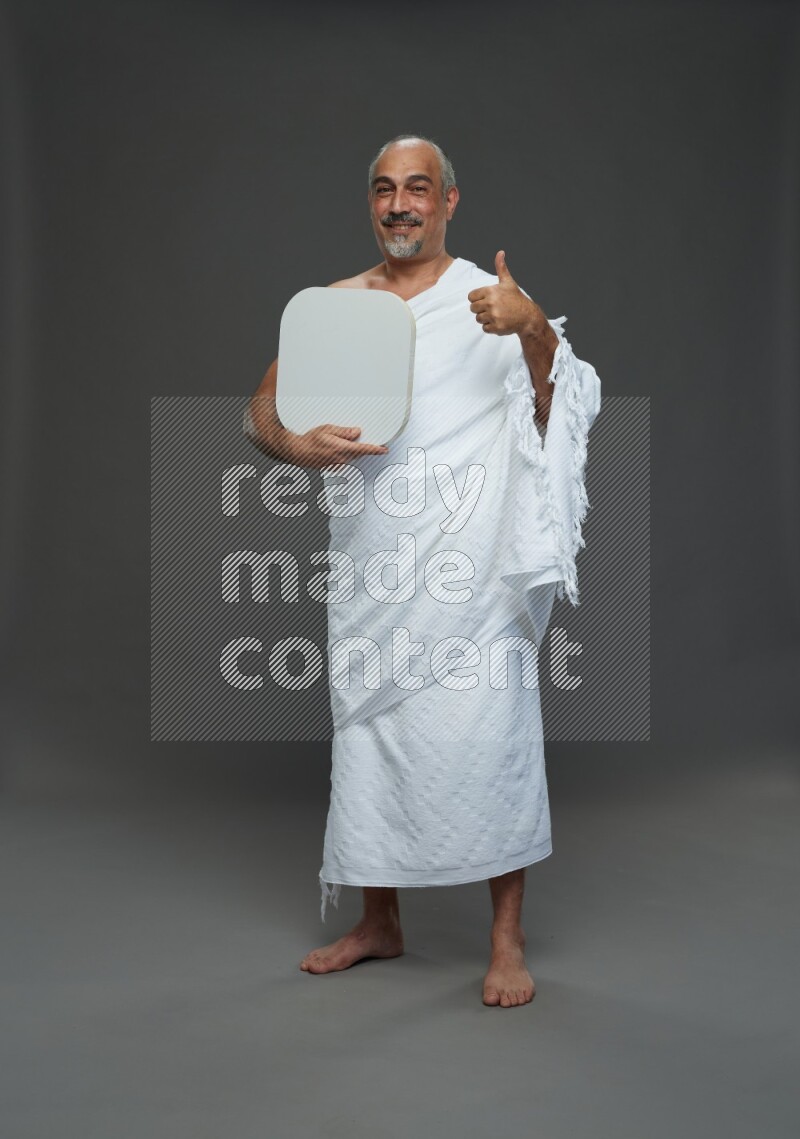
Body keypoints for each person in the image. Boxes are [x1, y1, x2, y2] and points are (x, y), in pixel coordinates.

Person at [244, 134, 601, 1007]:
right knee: (372, 743)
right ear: (370, 203)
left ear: (449, 200)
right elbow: (259, 412)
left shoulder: (490, 298)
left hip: (473, 571)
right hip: (374, 564)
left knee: (494, 739)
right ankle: (380, 920)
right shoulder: (336, 307)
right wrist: (296, 441)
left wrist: (533, 338)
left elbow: (562, 408)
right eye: (382, 190)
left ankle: (506, 940)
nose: (399, 205)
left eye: (417, 189)